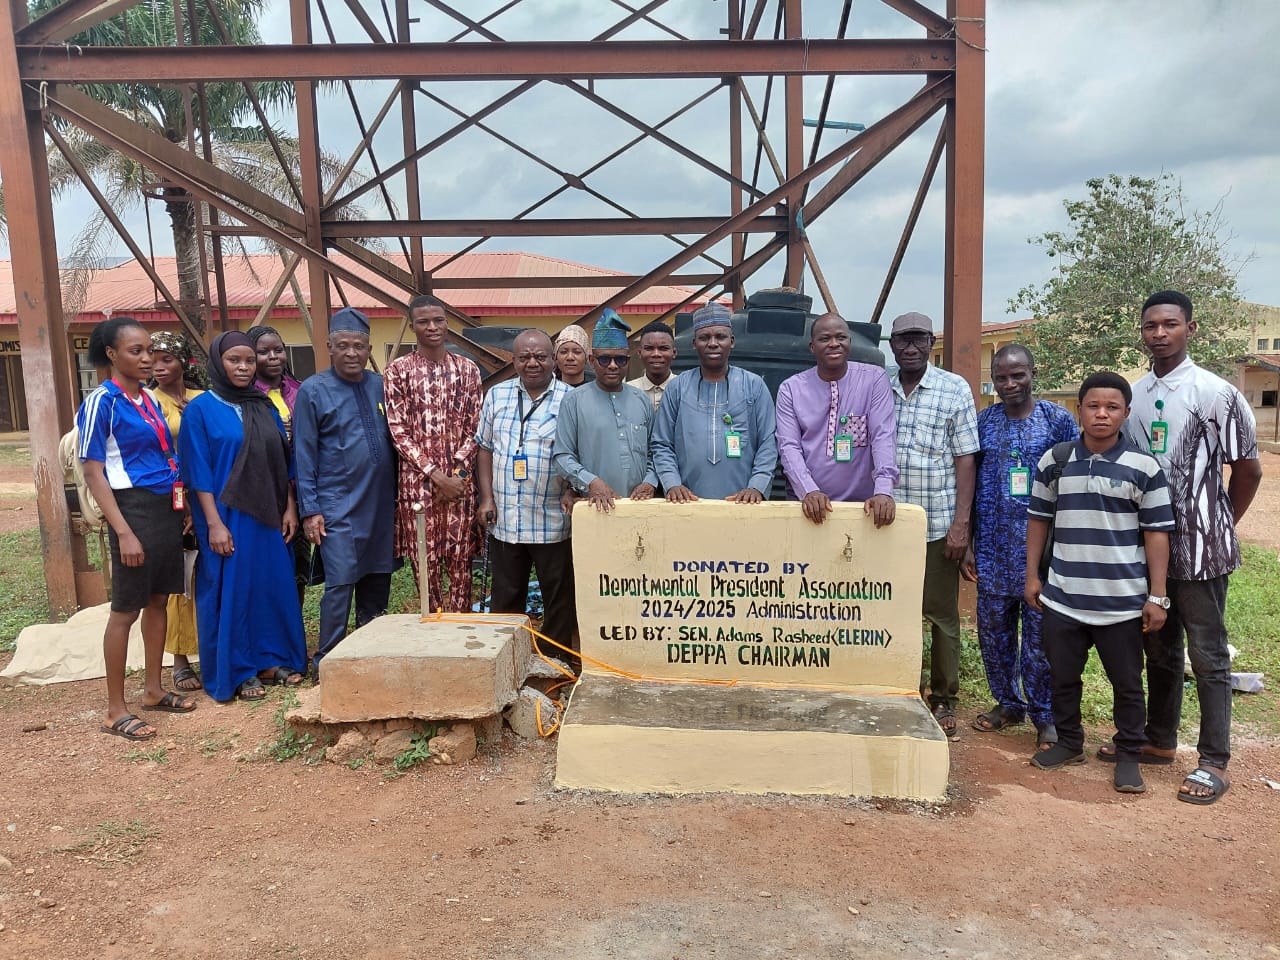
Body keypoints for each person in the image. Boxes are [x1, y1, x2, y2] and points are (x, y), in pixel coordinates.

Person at [1112, 290, 1262, 805]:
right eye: (1150, 325)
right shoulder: (1134, 395)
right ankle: (1159, 740)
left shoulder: (1216, 394)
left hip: (1202, 550)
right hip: (1149, 549)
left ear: (1190, 329)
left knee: (1209, 654)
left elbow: (1248, 468)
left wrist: (1220, 522)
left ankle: (1214, 760)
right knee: (1159, 646)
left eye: (1169, 324)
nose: (1159, 333)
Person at [1025, 372, 1175, 794]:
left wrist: (1157, 596)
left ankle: (1129, 755)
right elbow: (1038, 520)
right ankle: (1070, 742)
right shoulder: (1055, 461)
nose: (1102, 414)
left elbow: (1157, 533)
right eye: (1093, 406)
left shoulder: (1144, 467)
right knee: (1063, 678)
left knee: (1127, 684)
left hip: (1122, 603)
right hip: (1063, 598)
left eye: (1112, 407)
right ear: (1080, 410)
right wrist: (1032, 576)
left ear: (1126, 413)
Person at [77, 317, 197, 741]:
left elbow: (168, 458)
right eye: (136, 351)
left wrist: (180, 507)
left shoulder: (147, 399)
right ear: (112, 354)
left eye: (149, 350)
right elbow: (92, 472)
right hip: (132, 510)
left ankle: (152, 689)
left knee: (159, 600)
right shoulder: (102, 402)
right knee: (126, 609)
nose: (147, 358)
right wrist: (123, 531)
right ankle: (114, 709)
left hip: (164, 510)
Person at [179, 331, 307, 702]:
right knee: (231, 587)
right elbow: (198, 472)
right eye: (235, 359)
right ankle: (238, 669)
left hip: (268, 513)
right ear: (218, 362)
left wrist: (289, 506)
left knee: (270, 584)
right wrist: (214, 524)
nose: (244, 366)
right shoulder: (202, 409)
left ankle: (271, 660)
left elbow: (280, 461)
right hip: (224, 515)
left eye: (249, 360)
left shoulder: (262, 405)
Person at [962, 344, 1077, 750]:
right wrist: (970, 542)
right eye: (1001, 376)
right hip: (991, 547)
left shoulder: (1058, 421)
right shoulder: (983, 422)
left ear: (1032, 373)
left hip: (1041, 553)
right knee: (994, 634)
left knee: (1040, 639)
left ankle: (1045, 714)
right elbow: (970, 484)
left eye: (1018, 375)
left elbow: (1075, 478)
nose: (1010, 384)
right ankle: (1007, 703)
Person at [888, 311, 979, 740]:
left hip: (936, 522)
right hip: (885, 525)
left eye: (919, 340)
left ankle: (944, 698)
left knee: (941, 616)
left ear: (931, 343)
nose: (911, 348)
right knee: (891, 610)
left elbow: (966, 459)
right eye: (903, 340)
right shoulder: (879, 386)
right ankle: (901, 686)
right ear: (891, 344)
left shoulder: (953, 388)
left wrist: (962, 524)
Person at [293, 308, 398, 679]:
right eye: (343, 346)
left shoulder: (381, 385)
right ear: (329, 346)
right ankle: (330, 662)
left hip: (381, 503)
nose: (351, 353)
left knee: (377, 576)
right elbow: (303, 453)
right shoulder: (313, 390)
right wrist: (311, 509)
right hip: (336, 504)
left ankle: (368, 653)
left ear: (368, 347)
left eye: (358, 346)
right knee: (340, 582)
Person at [476, 329, 577, 659]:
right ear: (514, 360)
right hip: (507, 518)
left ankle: (554, 664)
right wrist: (487, 498)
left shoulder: (571, 400)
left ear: (553, 360)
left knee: (558, 597)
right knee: (506, 595)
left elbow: (579, 455)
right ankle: (504, 660)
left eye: (540, 357)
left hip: (553, 520)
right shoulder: (496, 395)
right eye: (524, 357)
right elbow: (485, 448)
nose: (532, 363)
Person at [384, 294, 483, 612]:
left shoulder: (468, 371)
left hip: (460, 486)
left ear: (447, 323)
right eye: (424, 322)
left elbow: (476, 429)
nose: (432, 327)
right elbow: (398, 431)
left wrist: (460, 475)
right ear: (412, 326)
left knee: (461, 565)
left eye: (438, 320)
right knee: (424, 567)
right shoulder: (398, 371)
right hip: (418, 487)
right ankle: (433, 635)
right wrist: (436, 475)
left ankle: (461, 636)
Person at [776, 312, 898, 527]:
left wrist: (883, 491)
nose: (834, 344)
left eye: (841, 337)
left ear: (849, 342)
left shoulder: (874, 379)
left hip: (864, 509)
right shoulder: (791, 389)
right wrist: (809, 490)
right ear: (812, 347)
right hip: (808, 507)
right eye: (825, 339)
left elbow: (883, 436)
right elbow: (789, 446)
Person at [651, 302, 777, 503]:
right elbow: (662, 443)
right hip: (687, 502)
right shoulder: (678, 388)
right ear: (694, 343)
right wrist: (672, 484)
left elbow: (768, 441)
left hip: (744, 503)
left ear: (732, 341)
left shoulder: (754, 385)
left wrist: (757, 486)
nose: (712, 343)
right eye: (704, 337)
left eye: (720, 336)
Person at [148, 330, 208, 692]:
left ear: (183, 361)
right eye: (153, 360)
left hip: (209, 495)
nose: (158, 367)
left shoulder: (203, 399)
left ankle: (209, 647)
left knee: (206, 574)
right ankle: (180, 660)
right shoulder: (148, 402)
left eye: (166, 359)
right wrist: (181, 502)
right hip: (172, 499)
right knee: (178, 579)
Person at [554, 309, 658, 511]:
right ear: (592, 361)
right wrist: (591, 482)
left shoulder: (641, 400)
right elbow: (563, 456)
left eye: (620, 359)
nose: (612, 366)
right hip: (595, 507)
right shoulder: (573, 401)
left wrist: (650, 482)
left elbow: (655, 452)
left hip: (641, 506)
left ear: (628, 361)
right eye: (604, 359)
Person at [247, 324, 310, 600]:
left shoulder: (300, 390)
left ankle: (293, 631)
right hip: (262, 491)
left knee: (297, 567)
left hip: (300, 491)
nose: (273, 357)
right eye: (263, 352)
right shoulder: (245, 397)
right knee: (266, 567)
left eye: (278, 350)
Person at [627, 320, 677, 411]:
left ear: (674, 353)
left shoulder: (684, 390)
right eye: (649, 348)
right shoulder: (627, 391)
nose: (656, 354)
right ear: (639, 353)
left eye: (663, 348)